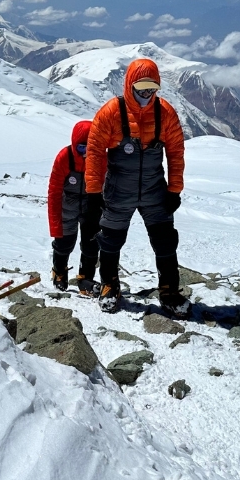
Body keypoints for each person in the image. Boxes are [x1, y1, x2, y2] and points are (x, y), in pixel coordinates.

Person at [84, 58, 190, 316]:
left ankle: (169, 291)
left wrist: (175, 190)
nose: (146, 93)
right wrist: (93, 191)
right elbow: (95, 152)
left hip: (155, 190)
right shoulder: (111, 111)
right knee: (109, 241)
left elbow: (176, 152)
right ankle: (110, 285)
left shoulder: (165, 112)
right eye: (141, 87)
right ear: (129, 84)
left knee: (165, 243)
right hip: (119, 191)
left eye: (151, 87)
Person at [46, 120, 101, 295]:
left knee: (91, 245)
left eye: (89, 147)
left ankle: (85, 279)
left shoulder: (100, 158)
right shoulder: (64, 157)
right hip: (66, 209)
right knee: (63, 243)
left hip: (90, 208)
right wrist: (55, 225)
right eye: (81, 148)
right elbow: (54, 192)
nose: (85, 153)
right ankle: (59, 272)